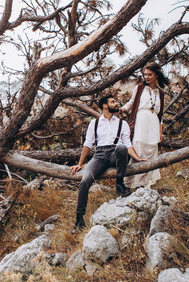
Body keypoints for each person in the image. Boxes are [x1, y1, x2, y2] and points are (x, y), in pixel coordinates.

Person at [69, 94, 145, 233]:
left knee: (121, 147)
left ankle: (120, 184)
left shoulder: (122, 124)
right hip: (99, 155)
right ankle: (79, 220)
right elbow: (87, 144)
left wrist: (137, 158)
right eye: (113, 102)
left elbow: (127, 144)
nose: (117, 104)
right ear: (105, 105)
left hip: (116, 154)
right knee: (85, 181)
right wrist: (80, 163)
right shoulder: (95, 123)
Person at [120, 61, 169, 189]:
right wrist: (121, 110)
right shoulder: (140, 88)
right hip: (141, 120)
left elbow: (161, 116)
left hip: (153, 122)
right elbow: (131, 103)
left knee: (152, 149)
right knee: (138, 146)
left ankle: (146, 183)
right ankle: (133, 182)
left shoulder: (160, 93)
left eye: (150, 74)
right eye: (145, 74)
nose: (146, 77)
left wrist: (160, 131)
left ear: (156, 75)